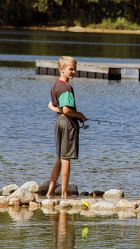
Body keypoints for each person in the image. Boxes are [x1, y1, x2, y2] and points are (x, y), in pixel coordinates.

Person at [46, 56, 86, 199]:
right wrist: (80, 115)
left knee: (60, 157)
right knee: (66, 158)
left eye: (75, 69)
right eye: (71, 69)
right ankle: (64, 193)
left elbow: (54, 106)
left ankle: (50, 191)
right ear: (61, 69)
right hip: (68, 123)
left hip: (59, 123)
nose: (73, 71)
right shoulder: (66, 87)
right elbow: (67, 110)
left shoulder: (55, 85)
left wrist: (54, 108)